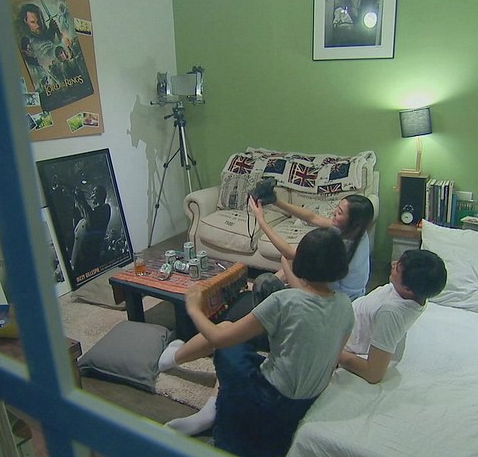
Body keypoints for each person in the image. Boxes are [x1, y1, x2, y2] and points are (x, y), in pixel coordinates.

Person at [158, 228, 355, 456]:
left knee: (225, 335)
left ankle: (200, 397)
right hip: (306, 401)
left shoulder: (283, 301)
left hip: (268, 398)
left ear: (302, 259)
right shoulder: (346, 306)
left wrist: (194, 308)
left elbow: (218, 339)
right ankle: (206, 403)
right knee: (245, 344)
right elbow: (332, 361)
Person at [339, 249, 447, 384]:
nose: (393, 264)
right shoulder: (415, 293)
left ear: (407, 289)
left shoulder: (391, 313)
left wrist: (334, 354)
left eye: (397, 269)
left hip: (340, 342)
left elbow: (373, 373)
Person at [249, 193, 374, 300]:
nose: (334, 212)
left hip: (336, 298)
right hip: (349, 292)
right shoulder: (357, 231)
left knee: (286, 259)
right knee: (293, 264)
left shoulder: (338, 245)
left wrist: (261, 220)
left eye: (340, 213)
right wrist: (276, 201)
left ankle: (268, 291)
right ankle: (263, 288)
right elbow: (313, 218)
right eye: (337, 207)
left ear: (352, 221)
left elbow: (288, 252)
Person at [70, 185, 111, 275]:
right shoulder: (84, 219)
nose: (92, 193)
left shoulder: (105, 208)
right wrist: (77, 200)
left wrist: (82, 200)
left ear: (102, 195)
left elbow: (91, 220)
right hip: (76, 264)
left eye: (95, 191)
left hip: (87, 264)